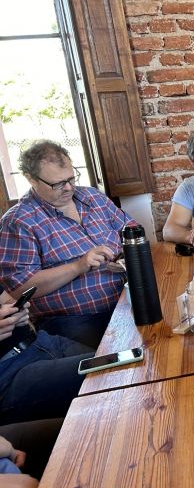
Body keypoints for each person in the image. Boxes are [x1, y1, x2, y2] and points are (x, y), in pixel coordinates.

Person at [0, 141, 134, 348]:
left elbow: (132, 230)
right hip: (74, 320)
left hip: (127, 299)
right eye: (58, 184)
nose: (69, 187)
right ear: (31, 178)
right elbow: (19, 287)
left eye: (71, 178)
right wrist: (78, 266)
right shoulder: (19, 221)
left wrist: (125, 255)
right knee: (120, 356)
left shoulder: (93, 197)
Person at [0, 291, 93, 425]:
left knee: (115, 364)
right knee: (108, 372)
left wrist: (17, 314)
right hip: (9, 374)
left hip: (41, 340)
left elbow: (7, 301)